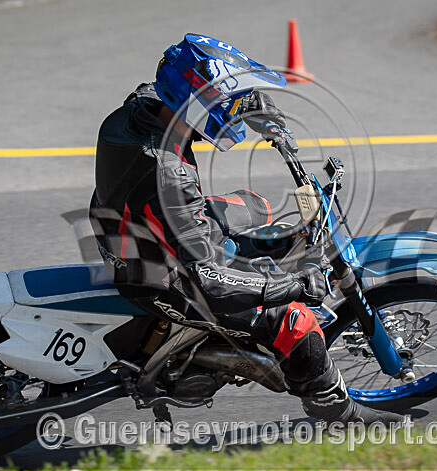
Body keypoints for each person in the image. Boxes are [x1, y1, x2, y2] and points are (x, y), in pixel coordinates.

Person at [90, 33, 401, 425]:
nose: (230, 108)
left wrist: (271, 123)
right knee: (294, 320)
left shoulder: (148, 104)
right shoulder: (169, 176)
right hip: (159, 276)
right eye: (222, 101)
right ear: (198, 103)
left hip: (133, 227)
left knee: (257, 206)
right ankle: (334, 408)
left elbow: (224, 97)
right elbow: (211, 285)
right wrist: (298, 287)